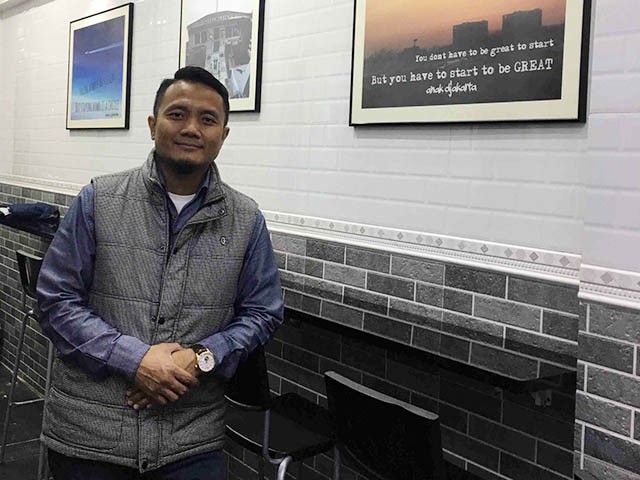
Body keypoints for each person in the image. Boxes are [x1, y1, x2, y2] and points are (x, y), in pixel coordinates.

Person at [36, 66, 284, 479]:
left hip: (189, 438)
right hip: (91, 433)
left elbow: (263, 313)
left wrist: (202, 356)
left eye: (207, 119)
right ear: (153, 126)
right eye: (177, 114)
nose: (191, 128)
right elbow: (56, 300)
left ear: (223, 136)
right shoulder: (99, 200)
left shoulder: (246, 220)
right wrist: (135, 359)